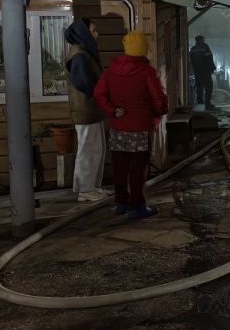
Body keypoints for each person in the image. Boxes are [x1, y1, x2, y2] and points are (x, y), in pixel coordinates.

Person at [94, 31, 168, 219]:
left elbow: (99, 94)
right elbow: (158, 100)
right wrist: (160, 110)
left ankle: (121, 203)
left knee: (120, 167)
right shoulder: (146, 72)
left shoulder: (111, 70)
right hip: (139, 129)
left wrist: (112, 110)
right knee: (137, 169)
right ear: (143, 49)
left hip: (118, 128)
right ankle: (137, 206)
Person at [64, 18, 107, 202]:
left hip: (91, 109)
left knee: (96, 148)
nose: (96, 34)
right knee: (88, 149)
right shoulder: (80, 55)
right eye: (93, 30)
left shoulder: (83, 52)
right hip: (86, 109)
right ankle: (85, 189)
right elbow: (83, 81)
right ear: (84, 33)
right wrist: (97, 92)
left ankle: (93, 186)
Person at [189, 35, 216, 109]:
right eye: (203, 40)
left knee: (199, 87)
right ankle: (207, 103)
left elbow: (191, 61)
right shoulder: (205, 47)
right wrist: (212, 68)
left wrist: (193, 70)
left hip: (197, 72)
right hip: (205, 71)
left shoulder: (193, 49)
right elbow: (209, 58)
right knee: (209, 87)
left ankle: (200, 103)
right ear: (201, 40)